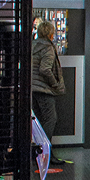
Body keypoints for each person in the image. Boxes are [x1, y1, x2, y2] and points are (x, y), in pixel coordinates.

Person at [32, 20, 71, 164]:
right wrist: (54, 84)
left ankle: (36, 151)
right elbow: (45, 69)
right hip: (43, 89)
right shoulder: (47, 48)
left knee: (39, 121)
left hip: (32, 89)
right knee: (50, 119)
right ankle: (45, 153)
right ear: (50, 34)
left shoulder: (33, 45)